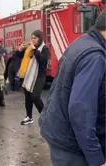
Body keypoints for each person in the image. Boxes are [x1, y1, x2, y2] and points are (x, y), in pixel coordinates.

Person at [39, 11, 106, 166]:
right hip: (72, 146)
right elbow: (81, 110)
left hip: (60, 132)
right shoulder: (95, 56)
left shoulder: (83, 42)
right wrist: (96, 158)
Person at [17, 30, 50, 125]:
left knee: (35, 96)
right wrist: (20, 49)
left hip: (39, 75)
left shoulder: (44, 48)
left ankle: (45, 116)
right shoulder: (29, 48)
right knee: (27, 96)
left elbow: (43, 62)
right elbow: (17, 57)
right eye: (32, 38)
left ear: (40, 38)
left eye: (35, 38)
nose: (33, 40)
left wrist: (34, 49)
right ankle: (29, 117)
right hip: (28, 74)